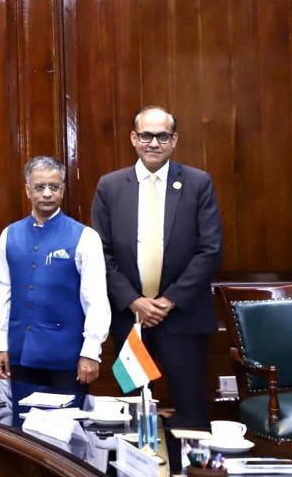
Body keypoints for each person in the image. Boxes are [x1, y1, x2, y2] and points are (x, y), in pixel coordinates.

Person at [92, 106, 222, 428]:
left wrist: (168, 301)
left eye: (162, 136)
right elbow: (100, 253)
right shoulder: (110, 186)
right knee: (132, 412)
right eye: (146, 135)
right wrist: (135, 301)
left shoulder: (197, 183)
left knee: (191, 413)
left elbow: (210, 250)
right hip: (130, 320)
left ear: (174, 140)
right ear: (133, 138)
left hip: (183, 318)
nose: (153, 143)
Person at [0, 156, 109, 425]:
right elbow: (2, 294)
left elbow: (96, 301)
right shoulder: (9, 235)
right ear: (27, 190)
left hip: (67, 359)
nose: (47, 193)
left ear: (62, 190)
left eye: (53, 187)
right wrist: (1, 346)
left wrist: (91, 352)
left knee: (64, 433)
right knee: (23, 432)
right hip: (21, 354)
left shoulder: (85, 237)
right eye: (39, 187)